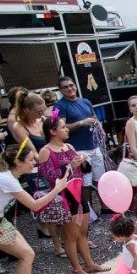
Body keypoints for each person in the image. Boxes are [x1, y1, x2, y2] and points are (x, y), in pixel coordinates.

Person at [0, 142, 68, 274]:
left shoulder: (2, 173)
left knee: (28, 254)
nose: (34, 163)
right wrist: (57, 189)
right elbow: (35, 205)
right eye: (31, 160)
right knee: (26, 255)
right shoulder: (7, 179)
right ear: (18, 162)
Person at [38, 117, 111, 274]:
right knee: (71, 235)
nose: (67, 130)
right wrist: (70, 165)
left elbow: (83, 171)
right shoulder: (46, 151)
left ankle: (89, 263)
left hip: (77, 191)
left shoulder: (69, 146)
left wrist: (82, 162)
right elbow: (50, 177)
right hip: (65, 195)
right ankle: (77, 269)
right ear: (52, 131)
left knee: (83, 232)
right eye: (63, 127)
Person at [54, 77, 105, 205]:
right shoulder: (60, 106)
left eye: (71, 85)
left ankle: (105, 206)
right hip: (78, 148)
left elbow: (94, 118)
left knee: (100, 178)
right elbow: (61, 128)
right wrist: (82, 123)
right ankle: (89, 211)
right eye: (65, 87)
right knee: (85, 181)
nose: (69, 88)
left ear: (76, 86)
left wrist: (98, 126)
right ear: (60, 90)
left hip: (94, 146)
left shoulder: (85, 101)